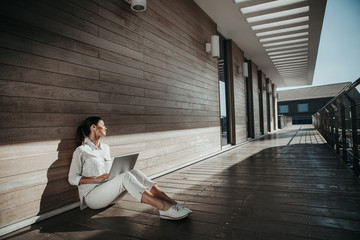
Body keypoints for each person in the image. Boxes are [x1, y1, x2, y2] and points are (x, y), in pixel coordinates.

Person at [68, 116, 191, 220]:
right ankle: (164, 208)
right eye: (103, 125)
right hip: (93, 198)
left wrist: (112, 174)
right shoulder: (81, 151)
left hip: (109, 194)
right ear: (93, 127)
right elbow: (72, 178)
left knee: (134, 171)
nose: (106, 128)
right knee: (126, 176)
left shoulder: (105, 148)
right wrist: (96, 178)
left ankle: (174, 204)